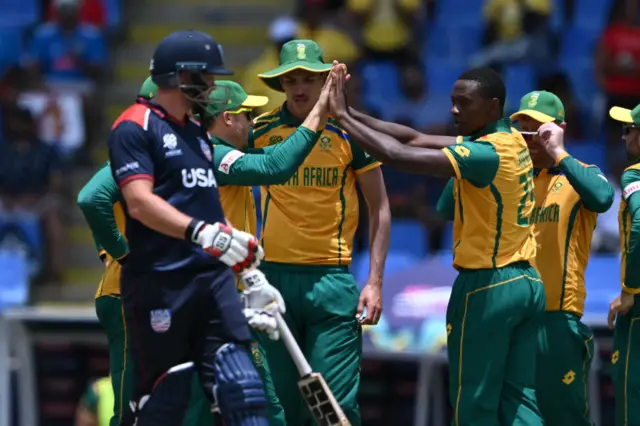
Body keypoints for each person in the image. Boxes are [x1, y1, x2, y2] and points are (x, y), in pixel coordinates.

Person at [329, 64, 546, 425]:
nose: (454, 111)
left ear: (492, 107)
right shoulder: (506, 138)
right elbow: (412, 137)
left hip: (488, 286)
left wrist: (339, 118)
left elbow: (398, 155)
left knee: (473, 398)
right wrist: (350, 112)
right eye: (452, 102)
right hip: (526, 283)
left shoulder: (484, 154)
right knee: (520, 398)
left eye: (464, 103)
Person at [107, 30, 284, 426]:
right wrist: (204, 233)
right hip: (162, 281)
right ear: (182, 77)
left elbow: (207, 210)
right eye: (207, 78)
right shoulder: (134, 126)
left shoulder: (197, 136)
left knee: (244, 393)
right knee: (164, 403)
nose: (213, 87)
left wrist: (248, 270)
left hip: (212, 282)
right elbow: (139, 201)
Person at [253, 39, 391, 426]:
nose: (300, 88)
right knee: (279, 409)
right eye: (291, 79)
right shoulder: (259, 131)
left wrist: (375, 282)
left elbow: (379, 207)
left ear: (325, 82)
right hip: (272, 283)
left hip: (330, 281)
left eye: (309, 78)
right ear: (280, 85)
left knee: (332, 407)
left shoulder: (349, 133)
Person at [510, 91, 614, 426]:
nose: (531, 138)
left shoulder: (578, 175)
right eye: (524, 129)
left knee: (563, 417)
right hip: (515, 320)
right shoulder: (515, 180)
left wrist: (558, 152)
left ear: (559, 129)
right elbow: (444, 207)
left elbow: (602, 197)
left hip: (557, 320)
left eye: (539, 128)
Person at [607, 103, 640, 426]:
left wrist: (630, 290)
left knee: (632, 401)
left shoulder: (636, 174)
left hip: (639, 306)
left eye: (628, 130)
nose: (623, 137)